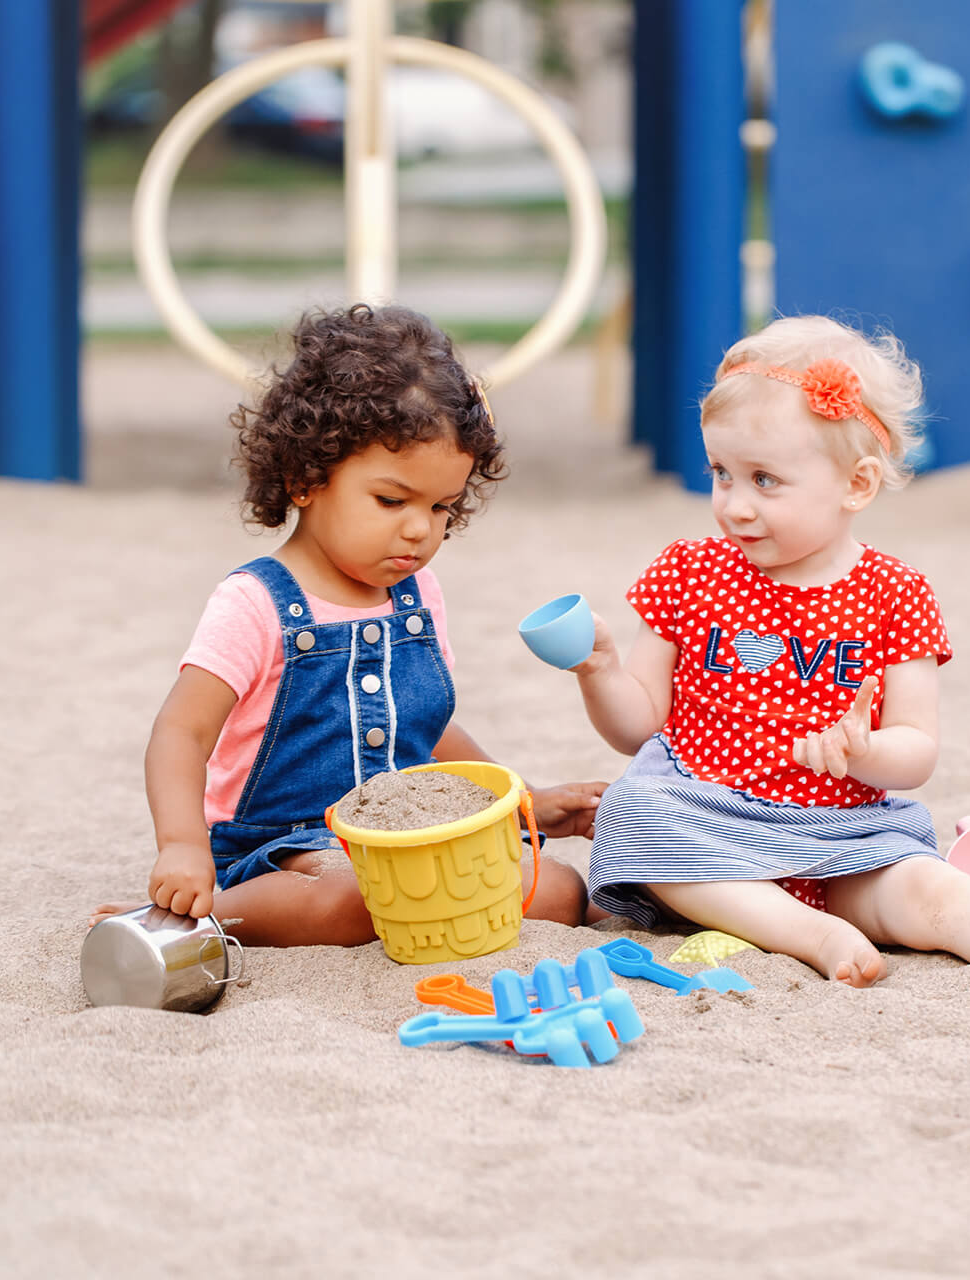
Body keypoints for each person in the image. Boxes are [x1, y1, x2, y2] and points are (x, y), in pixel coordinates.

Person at [565, 315, 970, 985]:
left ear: (857, 485)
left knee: (939, 898)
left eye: (765, 480)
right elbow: (637, 726)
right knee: (632, 811)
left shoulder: (895, 593)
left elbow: (917, 751)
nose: (735, 505)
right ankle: (805, 932)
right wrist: (599, 670)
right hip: (705, 823)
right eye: (722, 474)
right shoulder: (688, 572)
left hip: (845, 834)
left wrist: (865, 752)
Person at [91, 304, 603, 944]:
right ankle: (206, 917)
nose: (420, 529)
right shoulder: (256, 602)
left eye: (441, 506)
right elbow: (181, 732)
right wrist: (181, 847)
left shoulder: (418, 596)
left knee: (556, 890)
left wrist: (525, 803)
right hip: (286, 846)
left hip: (408, 837)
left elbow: (426, 725)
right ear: (307, 478)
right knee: (346, 897)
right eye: (391, 501)